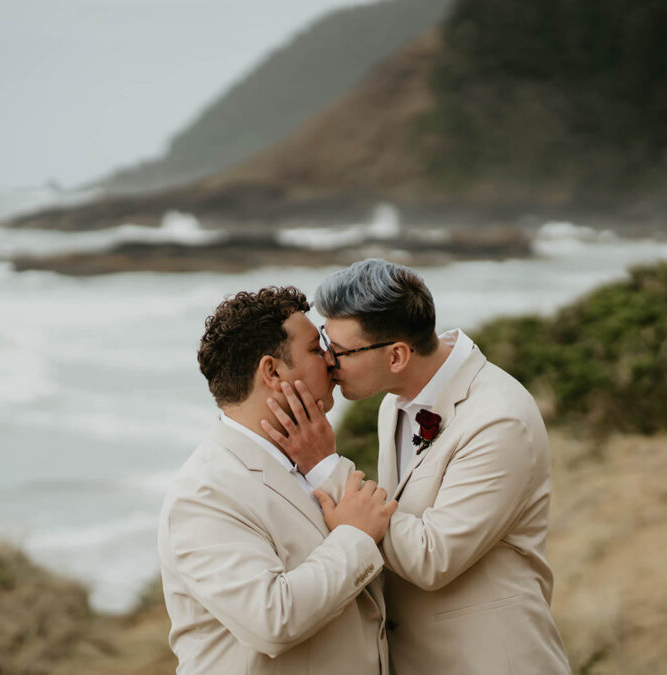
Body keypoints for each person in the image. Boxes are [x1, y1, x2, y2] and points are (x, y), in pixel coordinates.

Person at [264, 260, 571, 674]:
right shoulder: (393, 405)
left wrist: (325, 466)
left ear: (396, 356)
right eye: (324, 342)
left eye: (339, 352)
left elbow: (433, 558)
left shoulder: (500, 420)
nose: (327, 362)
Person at [157, 286, 398, 675]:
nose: (331, 360)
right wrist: (354, 537)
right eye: (315, 349)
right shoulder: (205, 492)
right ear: (272, 371)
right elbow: (273, 621)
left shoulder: (309, 461)